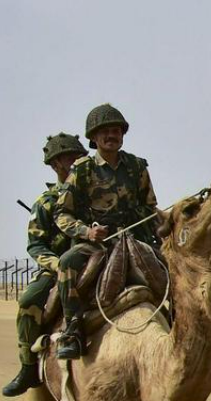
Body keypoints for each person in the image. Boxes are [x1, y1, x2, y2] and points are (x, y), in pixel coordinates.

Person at [53, 103, 161, 360]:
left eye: (116, 130)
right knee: (68, 262)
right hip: (97, 243)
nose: (111, 135)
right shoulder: (82, 170)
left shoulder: (137, 167)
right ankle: (73, 329)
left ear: (123, 135)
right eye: (105, 131)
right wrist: (86, 232)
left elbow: (151, 208)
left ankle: (181, 322)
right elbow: (61, 214)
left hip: (135, 240)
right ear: (93, 137)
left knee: (173, 265)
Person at [0, 133, 88, 396]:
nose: (75, 160)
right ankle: (28, 367)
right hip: (58, 268)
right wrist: (57, 264)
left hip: (96, 257)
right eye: (68, 157)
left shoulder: (92, 195)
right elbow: (36, 246)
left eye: (78, 155)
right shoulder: (44, 204)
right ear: (54, 164)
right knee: (28, 301)